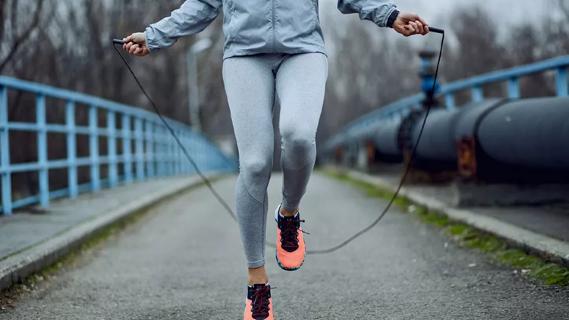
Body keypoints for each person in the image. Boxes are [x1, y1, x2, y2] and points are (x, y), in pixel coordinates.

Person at [121, 1, 429, 318]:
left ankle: (289, 212)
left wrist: (389, 15)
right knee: (254, 164)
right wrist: (154, 35)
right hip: (244, 56)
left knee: (297, 135)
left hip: (303, 50)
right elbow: (202, 5)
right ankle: (257, 282)